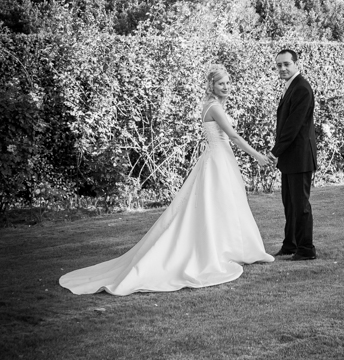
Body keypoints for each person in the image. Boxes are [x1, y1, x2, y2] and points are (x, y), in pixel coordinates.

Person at [59, 64, 274, 295]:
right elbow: (232, 135)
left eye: (228, 83)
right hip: (218, 158)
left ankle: (232, 248)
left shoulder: (211, 105)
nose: (226, 87)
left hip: (219, 158)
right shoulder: (214, 107)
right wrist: (258, 156)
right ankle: (219, 251)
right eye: (221, 83)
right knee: (217, 204)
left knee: (224, 203)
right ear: (212, 85)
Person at [268, 49, 317, 260]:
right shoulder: (291, 87)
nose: (282, 68)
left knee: (300, 205)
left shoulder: (302, 88)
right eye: (279, 65)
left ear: (297, 64)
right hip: (290, 157)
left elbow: (293, 127)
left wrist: (273, 152)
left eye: (286, 64)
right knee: (289, 204)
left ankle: (306, 249)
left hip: (300, 157)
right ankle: (290, 245)